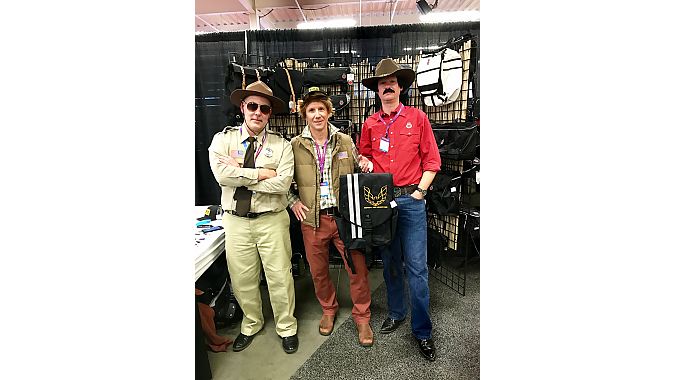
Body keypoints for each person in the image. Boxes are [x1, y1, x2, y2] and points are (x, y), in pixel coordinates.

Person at [358, 58, 441, 361]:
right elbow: (364, 154)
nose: (387, 86)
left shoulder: (418, 118)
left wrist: (419, 192)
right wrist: (364, 161)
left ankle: (423, 331)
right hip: (382, 201)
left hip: (411, 201)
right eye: (382, 83)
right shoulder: (370, 123)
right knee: (391, 263)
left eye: (392, 82)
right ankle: (396, 312)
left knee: (417, 268)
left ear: (401, 87)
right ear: (378, 91)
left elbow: (433, 162)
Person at [208, 81, 299, 354]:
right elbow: (222, 176)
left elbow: (282, 185)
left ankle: (287, 327)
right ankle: (251, 324)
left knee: (280, 276)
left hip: (272, 218)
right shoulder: (222, 140)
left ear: (270, 113)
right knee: (242, 278)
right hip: (236, 221)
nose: (258, 112)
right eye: (252, 106)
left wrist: (242, 175)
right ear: (242, 107)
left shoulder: (282, 146)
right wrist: (261, 173)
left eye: (264, 108)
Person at [288, 87, 375, 347]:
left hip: (346, 218)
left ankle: (362, 316)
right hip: (312, 220)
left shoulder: (345, 141)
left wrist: (366, 164)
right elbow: (284, 181)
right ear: (305, 114)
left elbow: (359, 169)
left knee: (357, 268)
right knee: (318, 271)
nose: (317, 115)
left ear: (329, 112)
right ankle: (329, 309)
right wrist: (293, 202)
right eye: (312, 110)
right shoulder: (295, 145)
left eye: (321, 109)